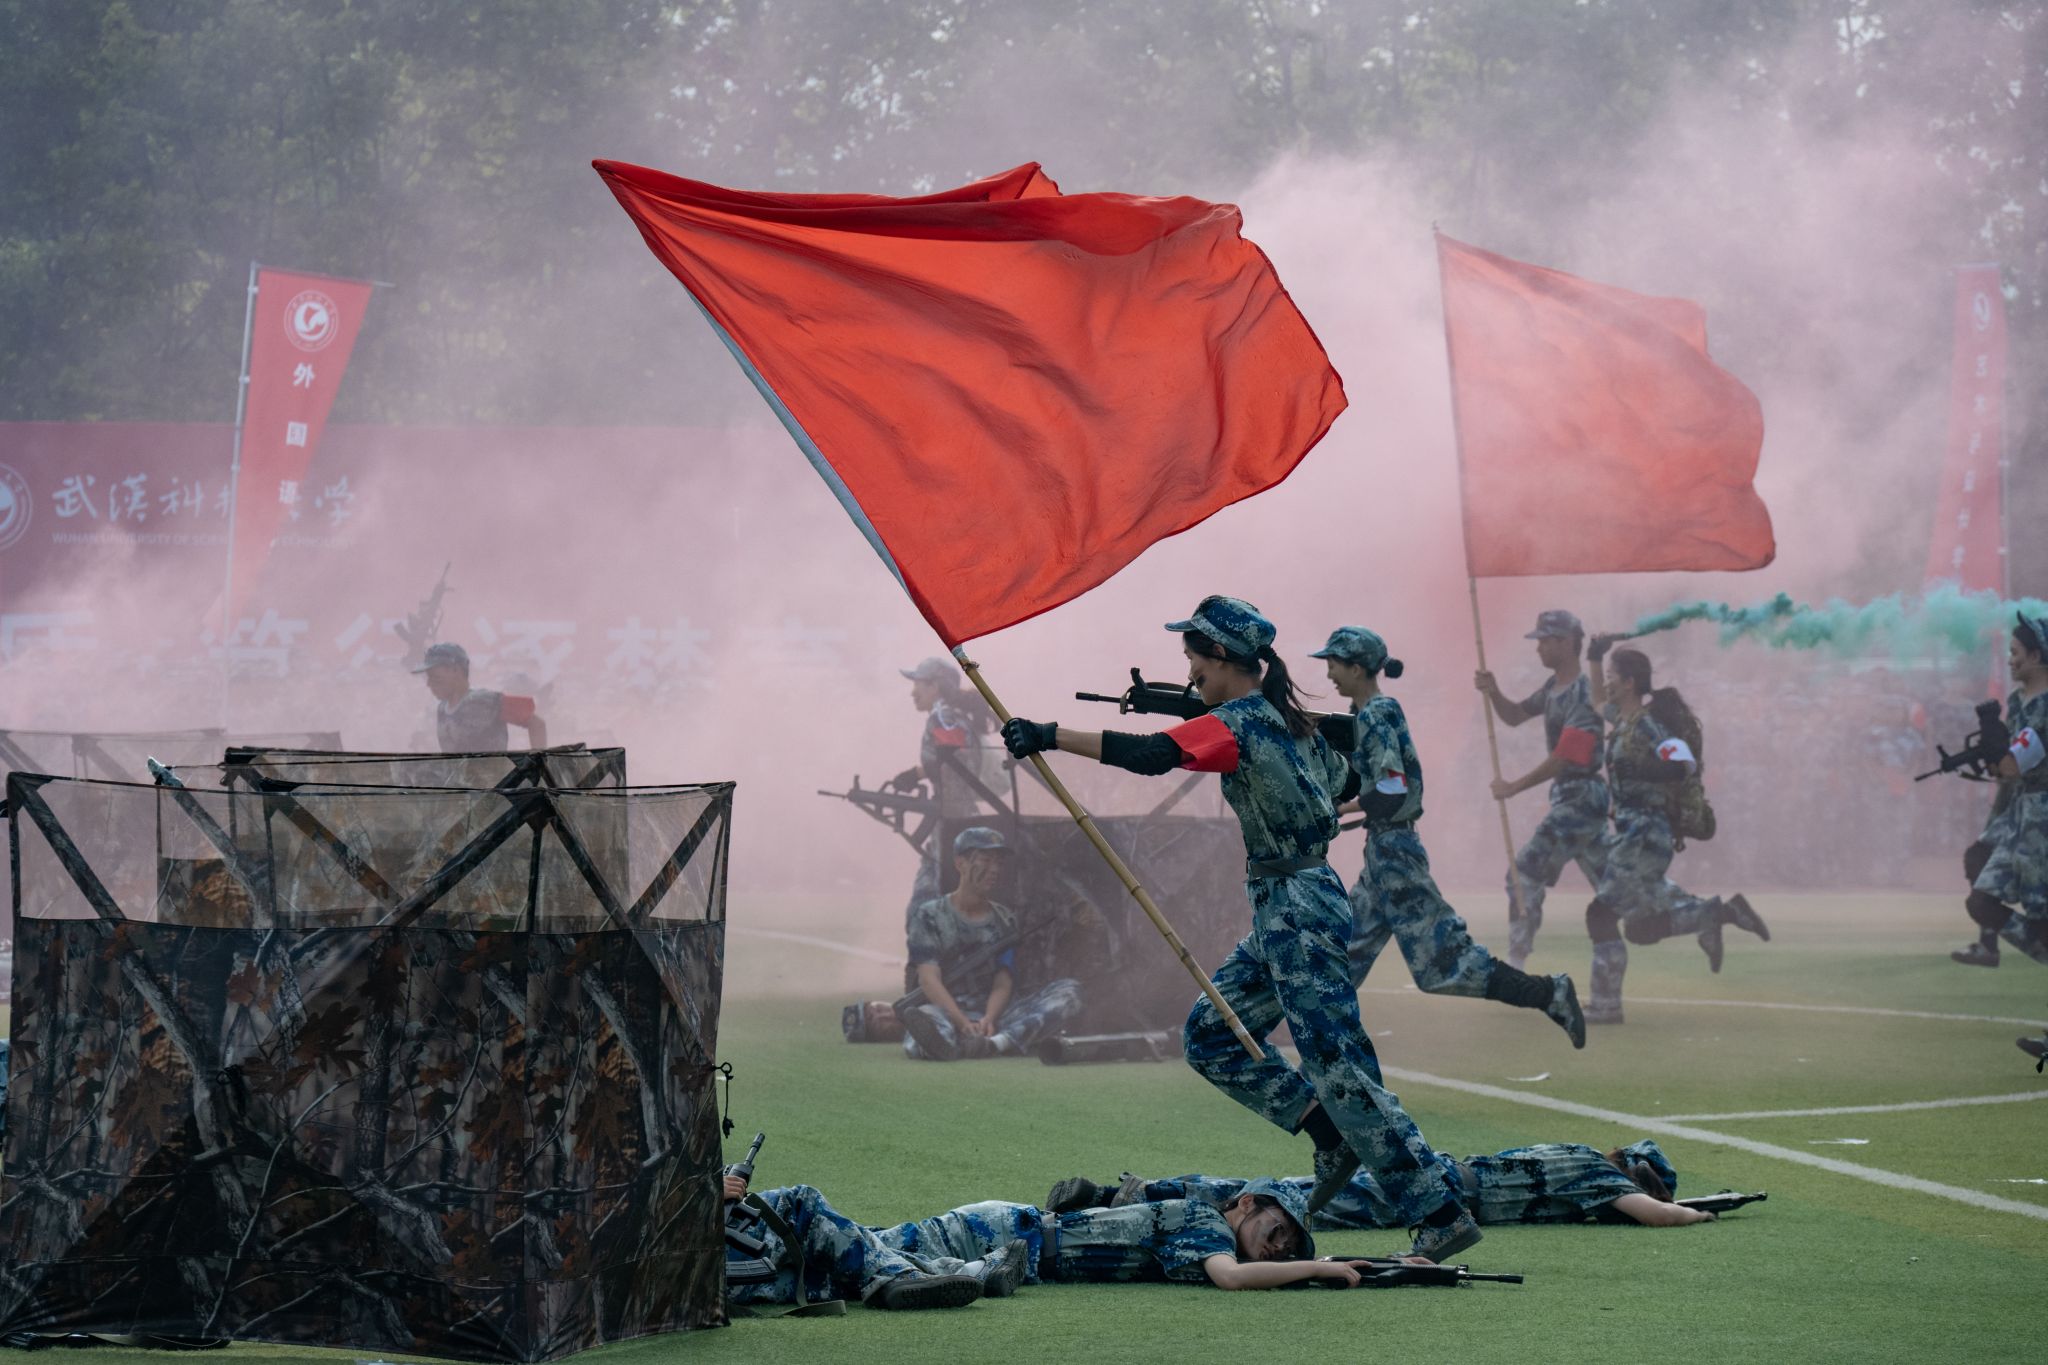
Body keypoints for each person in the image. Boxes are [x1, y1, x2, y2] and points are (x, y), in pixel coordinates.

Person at [1001, 595, 1480, 1261]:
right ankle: (1327, 1133)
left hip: (1296, 906)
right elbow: (1342, 783)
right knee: (1210, 1034)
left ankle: (1438, 1210)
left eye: (1194, 657)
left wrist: (1048, 735)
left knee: (1339, 1063)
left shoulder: (1242, 723)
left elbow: (1150, 754)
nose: (1189, 670)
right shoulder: (1290, 723)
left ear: (1222, 655)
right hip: (1293, 902)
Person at [1312, 626, 1584, 1047]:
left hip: (1395, 855)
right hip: (1384, 853)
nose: (1328, 673)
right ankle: (1325, 1053)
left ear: (1357, 668)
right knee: (1340, 960)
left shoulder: (1377, 714)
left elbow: (1391, 789)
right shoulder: (1372, 713)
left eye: (1333, 664)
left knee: (1442, 964)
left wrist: (1340, 809)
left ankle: (1549, 993)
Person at [1581, 640, 1768, 1024]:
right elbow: (1597, 702)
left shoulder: (1647, 725)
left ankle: (1606, 1006)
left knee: (1600, 914)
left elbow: (1683, 759)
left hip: (1645, 834)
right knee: (1641, 928)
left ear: (1630, 683)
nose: (1608, 683)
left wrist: (1647, 770)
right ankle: (1718, 913)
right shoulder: (1624, 720)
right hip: (1634, 833)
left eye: (1613, 676)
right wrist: (1595, 658)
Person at [1052, 1137, 1720, 1230]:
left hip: (1431, 1171)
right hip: (1429, 1190)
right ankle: (1130, 1199)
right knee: (1286, 1206)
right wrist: (1700, 1214)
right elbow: (1659, 1215)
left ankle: (1128, 1194)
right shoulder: (1598, 1176)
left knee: (1276, 1191)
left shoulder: (1571, 1152)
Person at [1473, 610, 1609, 968]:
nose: (1539, 649)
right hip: (1575, 799)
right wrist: (1493, 691)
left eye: (1545, 641)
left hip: (1580, 799)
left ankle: (1516, 963)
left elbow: (1566, 755)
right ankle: (1707, 915)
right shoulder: (1552, 688)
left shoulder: (1584, 692)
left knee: (1524, 873)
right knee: (1616, 891)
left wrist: (1514, 787)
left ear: (1567, 642)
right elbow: (1515, 715)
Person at [722, 1169, 1027, 1311]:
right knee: (800, 1204)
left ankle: (966, 1272)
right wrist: (706, 1189)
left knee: (833, 1258)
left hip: (714, 1281)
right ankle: (907, 1275)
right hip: (708, 1267)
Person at [901, 826, 1082, 1060]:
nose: (994, 869)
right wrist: (962, 1022)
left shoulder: (1005, 919)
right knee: (926, 1020)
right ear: (960, 863)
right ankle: (947, 1042)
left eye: (998, 863)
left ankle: (993, 1044)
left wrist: (988, 1018)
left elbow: (1002, 981)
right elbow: (929, 979)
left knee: (1069, 992)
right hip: (946, 1010)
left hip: (997, 1016)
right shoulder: (929, 915)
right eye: (986, 860)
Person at [1950, 616, 2048, 979]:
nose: (2010, 660)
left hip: (2042, 820)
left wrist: (1997, 754)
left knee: (2040, 922)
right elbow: (2005, 769)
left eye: (2016, 652)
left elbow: (2011, 765)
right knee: (1981, 896)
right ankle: (1997, 945)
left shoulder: (2044, 707)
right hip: (2022, 813)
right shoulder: (2019, 701)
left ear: (2036, 656)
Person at [892, 657, 996, 925]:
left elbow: (956, 763)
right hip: (956, 818)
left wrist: (918, 774)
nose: (913, 692)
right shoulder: (950, 715)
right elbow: (950, 760)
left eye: (918, 684)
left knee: (922, 910)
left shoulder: (943, 717)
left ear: (935, 686)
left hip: (953, 821)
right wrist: (919, 774)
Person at [414, 642, 548, 753]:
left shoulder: (484, 701)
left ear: (455, 670)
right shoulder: (442, 709)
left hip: (494, 777)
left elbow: (537, 724)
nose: (429, 683)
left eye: (435, 677)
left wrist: (538, 765)